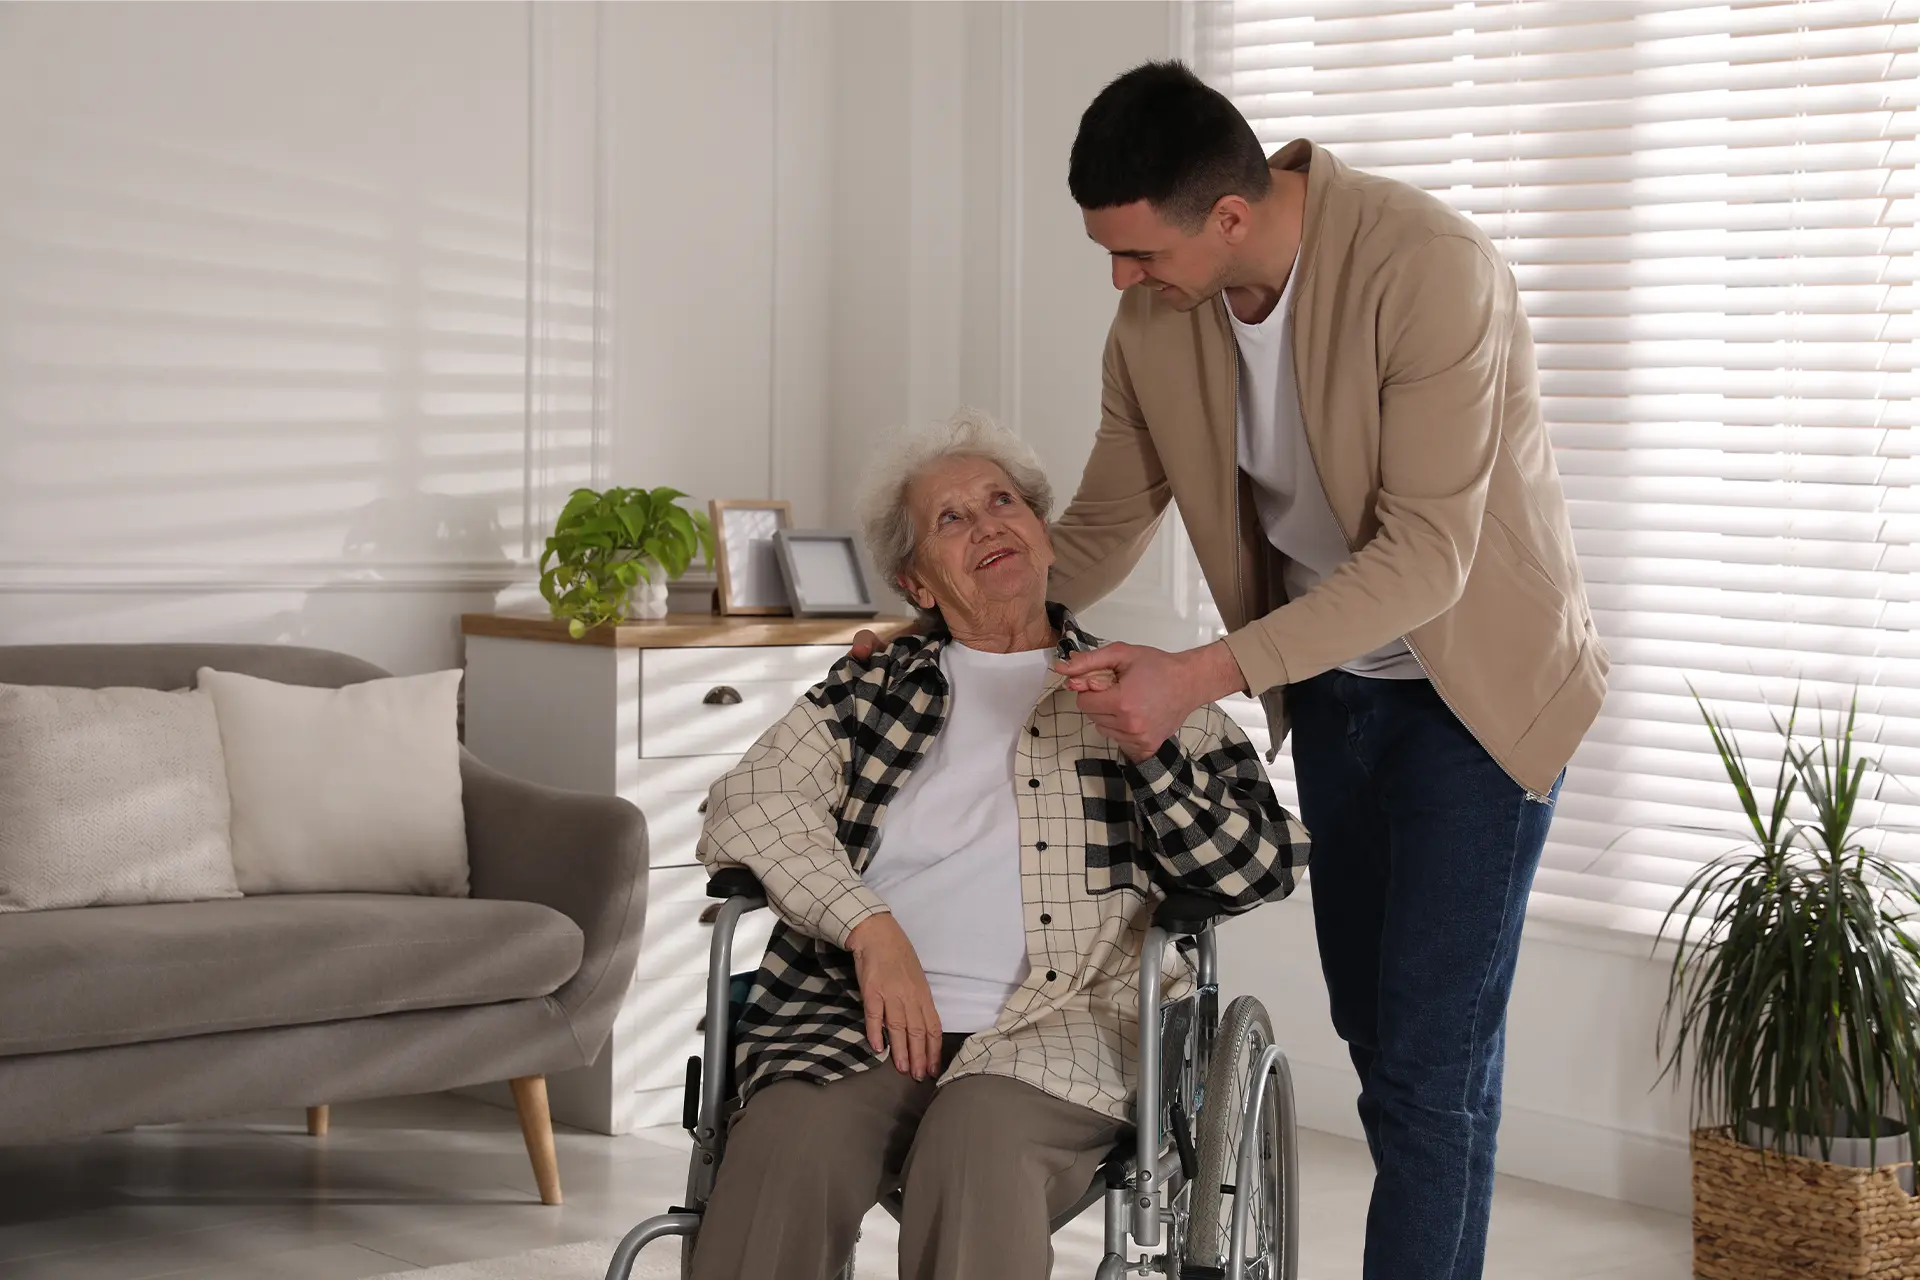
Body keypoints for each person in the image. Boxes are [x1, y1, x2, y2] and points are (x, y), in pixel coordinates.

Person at [853, 62, 1608, 1280]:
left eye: (1137, 254)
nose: (1120, 282)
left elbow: (1429, 555)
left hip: (1479, 703)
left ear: (1233, 217)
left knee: (1429, 1070)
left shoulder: (1429, 271)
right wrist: (942, 617)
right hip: (1339, 692)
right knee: (1378, 1041)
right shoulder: (1157, 323)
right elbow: (1097, 526)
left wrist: (1198, 672)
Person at [688, 410, 1307, 1280]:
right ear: (919, 581)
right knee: (785, 1143)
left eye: (1002, 501)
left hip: (1065, 1025)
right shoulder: (871, 687)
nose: (987, 525)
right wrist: (871, 929)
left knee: (976, 1149)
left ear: (1044, 536)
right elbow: (746, 802)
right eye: (951, 519)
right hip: (856, 1019)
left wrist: (1151, 752)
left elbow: (1257, 867)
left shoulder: (1146, 687)